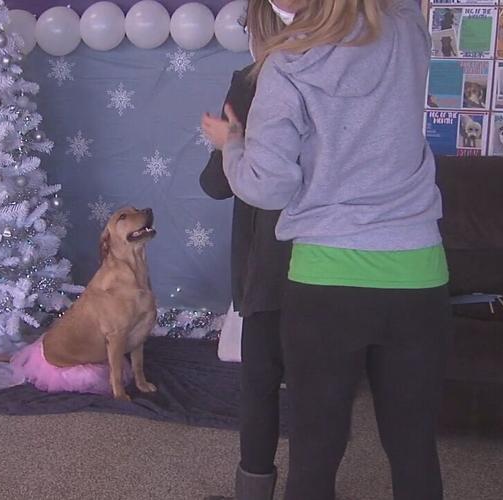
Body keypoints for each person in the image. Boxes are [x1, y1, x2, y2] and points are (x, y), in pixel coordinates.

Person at [201, 0, 452, 499]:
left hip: (327, 280)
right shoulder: (408, 30)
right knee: (414, 448)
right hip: (418, 271)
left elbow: (266, 188)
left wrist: (232, 143)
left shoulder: (289, 63)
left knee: (317, 450)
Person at [200, 63, 292, 500]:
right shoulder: (348, 68)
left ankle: (254, 492)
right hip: (335, 257)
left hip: (269, 263)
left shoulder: (253, 80)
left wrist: (227, 144)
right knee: (323, 385)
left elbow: (218, 184)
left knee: (261, 382)